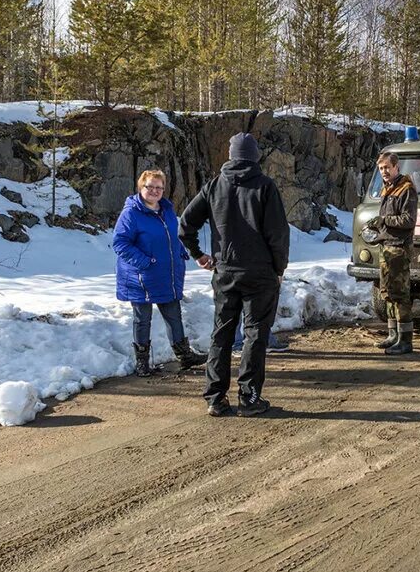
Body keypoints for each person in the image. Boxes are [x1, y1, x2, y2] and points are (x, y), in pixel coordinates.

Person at [180, 133, 289, 417]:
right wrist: (279, 269)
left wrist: (199, 254)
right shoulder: (265, 187)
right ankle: (250, 398)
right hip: (259, 273)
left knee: (222, 333)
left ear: (231, 155)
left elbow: (186, 224)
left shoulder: (215, 186)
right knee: (255, 335)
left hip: (225, 270)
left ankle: (215, 398)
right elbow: (278, 234)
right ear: (255, 156)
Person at [113, 170, 207, 377]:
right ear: (141, 187)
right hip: (141, 277)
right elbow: (120, 243)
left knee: (174, 315)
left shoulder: (167, 211)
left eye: (159, 187)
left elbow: (174, 237)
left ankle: (184, 356)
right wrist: (145, 262)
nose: (154, 191)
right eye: (150, 186)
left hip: (167, 274)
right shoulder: (131, 213)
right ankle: (142, 363)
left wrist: (181, 252)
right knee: (142, 319)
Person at [367, 151, 418, 355]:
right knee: (387, 293)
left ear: (396, 167)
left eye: (387, 167)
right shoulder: (388, 189)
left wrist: (385, 221)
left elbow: (408, 220)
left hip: (399, 248)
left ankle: (405, 341)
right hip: (386, 246)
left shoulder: (406, 189)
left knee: (400, 296)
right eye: (381, 169)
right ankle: (392, 335)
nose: (384, 172)